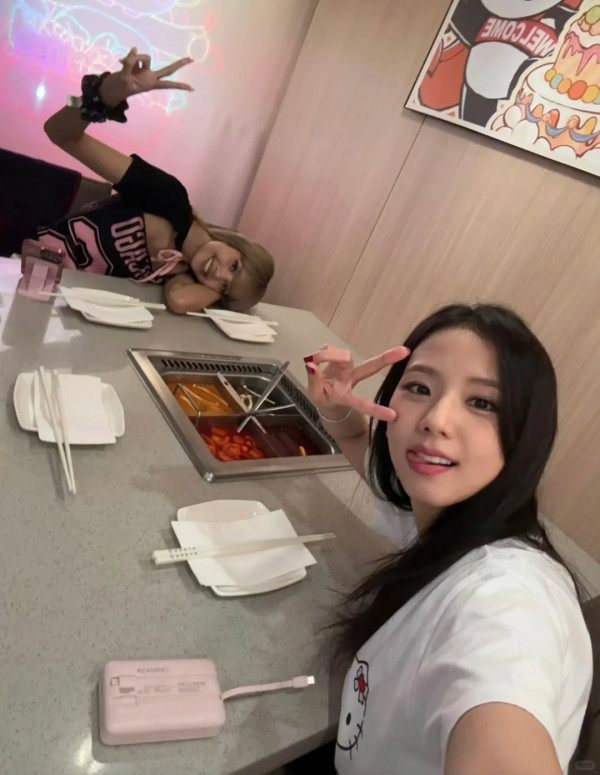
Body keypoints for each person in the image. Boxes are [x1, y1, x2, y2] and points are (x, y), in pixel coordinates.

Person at [303, 303, 593, 775]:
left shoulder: (506, 599)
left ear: (526, 434)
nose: (436, 419)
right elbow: (365, 454)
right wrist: (335, 407)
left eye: (482, 403)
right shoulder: (446, 518)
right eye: (419, 388)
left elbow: (501, 686)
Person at [40, 47, 274, 313]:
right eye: (233, 266)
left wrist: (218, 292)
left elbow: (179, 302)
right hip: (36, 265)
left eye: (224, 287)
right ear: (235, 243)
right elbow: (59, 133)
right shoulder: (168, 197)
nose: (218, 274)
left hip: (66, 303)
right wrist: (103, 94)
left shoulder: (182, 272)